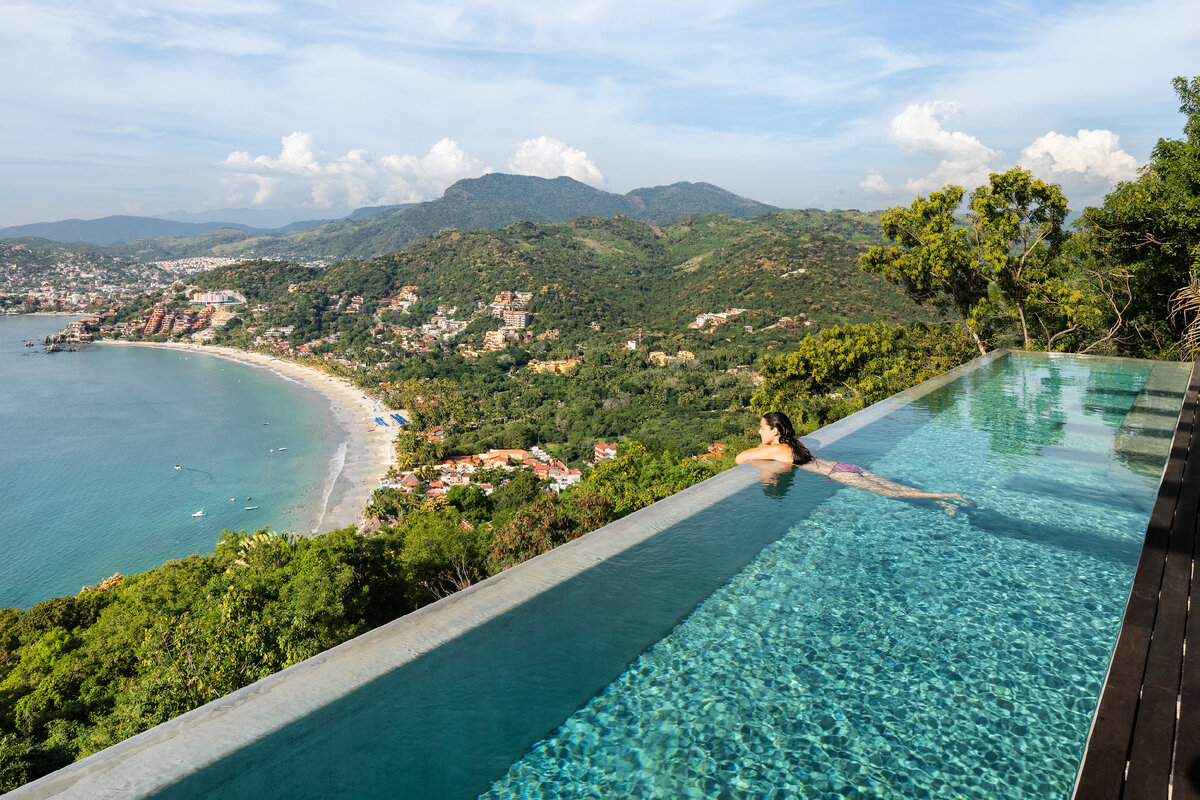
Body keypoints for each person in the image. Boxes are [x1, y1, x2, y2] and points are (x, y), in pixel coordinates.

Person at [735, 411, 974, 514]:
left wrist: (764, 445)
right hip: (846, 466)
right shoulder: (794, 444)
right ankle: (942, 502)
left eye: (762, 428)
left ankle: (950, 496)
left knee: (894, 494)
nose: (758, 431)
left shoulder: (776, 449)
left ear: (775, 430)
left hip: (840, 475)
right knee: (896, 488)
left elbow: (740, 458)